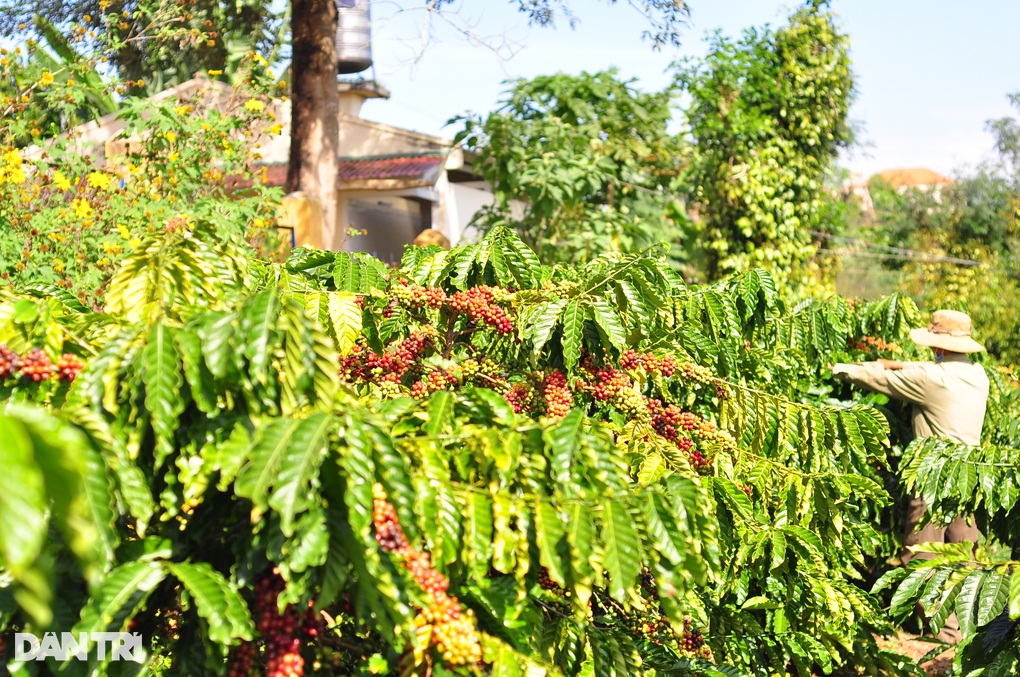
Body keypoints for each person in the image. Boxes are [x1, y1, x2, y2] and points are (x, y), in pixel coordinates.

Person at [832, 309, 988, 643]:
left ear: (939, 347)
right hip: (971, 475)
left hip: (935, 474)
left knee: (920, 555)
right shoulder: (978, 376)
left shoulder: (932, 379)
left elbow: (880, 380)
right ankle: (957, 634)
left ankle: (936, 632)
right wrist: (897, 363)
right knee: (963, 554)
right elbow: (923, 370)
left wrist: (844, 369)